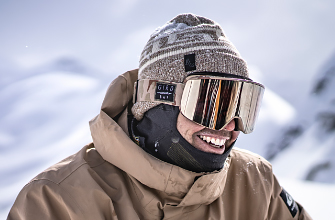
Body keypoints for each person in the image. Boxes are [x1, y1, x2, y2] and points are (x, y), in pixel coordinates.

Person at [7, 13, 312, 220]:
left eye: (242, 106)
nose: (231, 126)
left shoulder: (255, 182)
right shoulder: (57, 199)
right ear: (156, 99)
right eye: (210, 102)